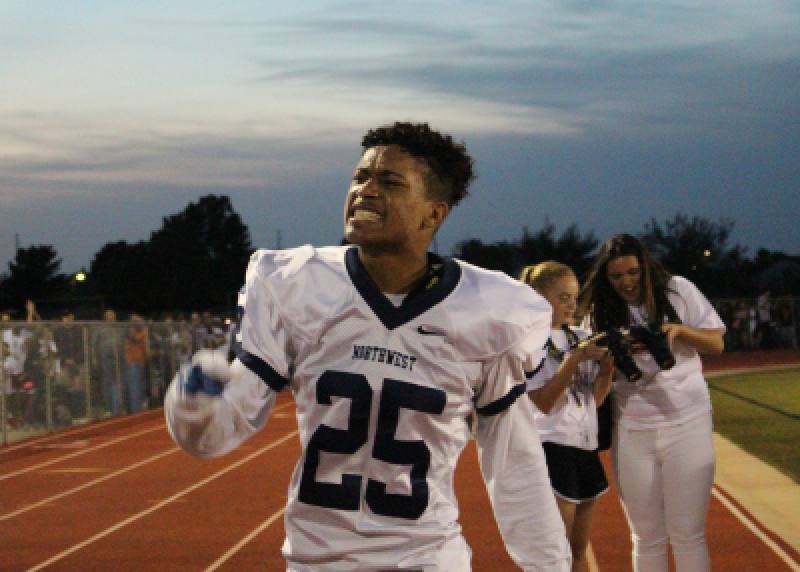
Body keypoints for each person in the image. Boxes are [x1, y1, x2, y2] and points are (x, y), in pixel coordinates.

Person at [165, 121, 571, 571]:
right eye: (361, 178)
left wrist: (549, 565)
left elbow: (515, 461)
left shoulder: (488, 311)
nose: (366, 190)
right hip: (318, 559)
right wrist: (195, 401)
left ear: (432, 214)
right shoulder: (299, 284)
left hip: (427, 558)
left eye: (390, 182)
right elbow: (221, 430)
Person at [577, 233, 725, 572]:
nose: (625, 283)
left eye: (633, 273)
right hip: (633, 426)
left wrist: (678, 332)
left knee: (688, 533)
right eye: (616, 276)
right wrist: (609, 357)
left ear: (645, 267)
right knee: (646, 536)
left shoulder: (676, 290)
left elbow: (716, 342)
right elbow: (591, 377)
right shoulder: (601, 309)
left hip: (687, 422)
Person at [520, 262, 613, 572]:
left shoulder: (580, 336)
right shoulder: (529, 342)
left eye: (574, 297)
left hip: (585, 447)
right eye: (563, 298)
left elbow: (595, 400)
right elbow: (545, 402)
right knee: (554, 554)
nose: (572, 305)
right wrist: (575, 359)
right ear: (538, 299)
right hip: (552, 448)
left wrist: (609, 365)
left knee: (577, 551)